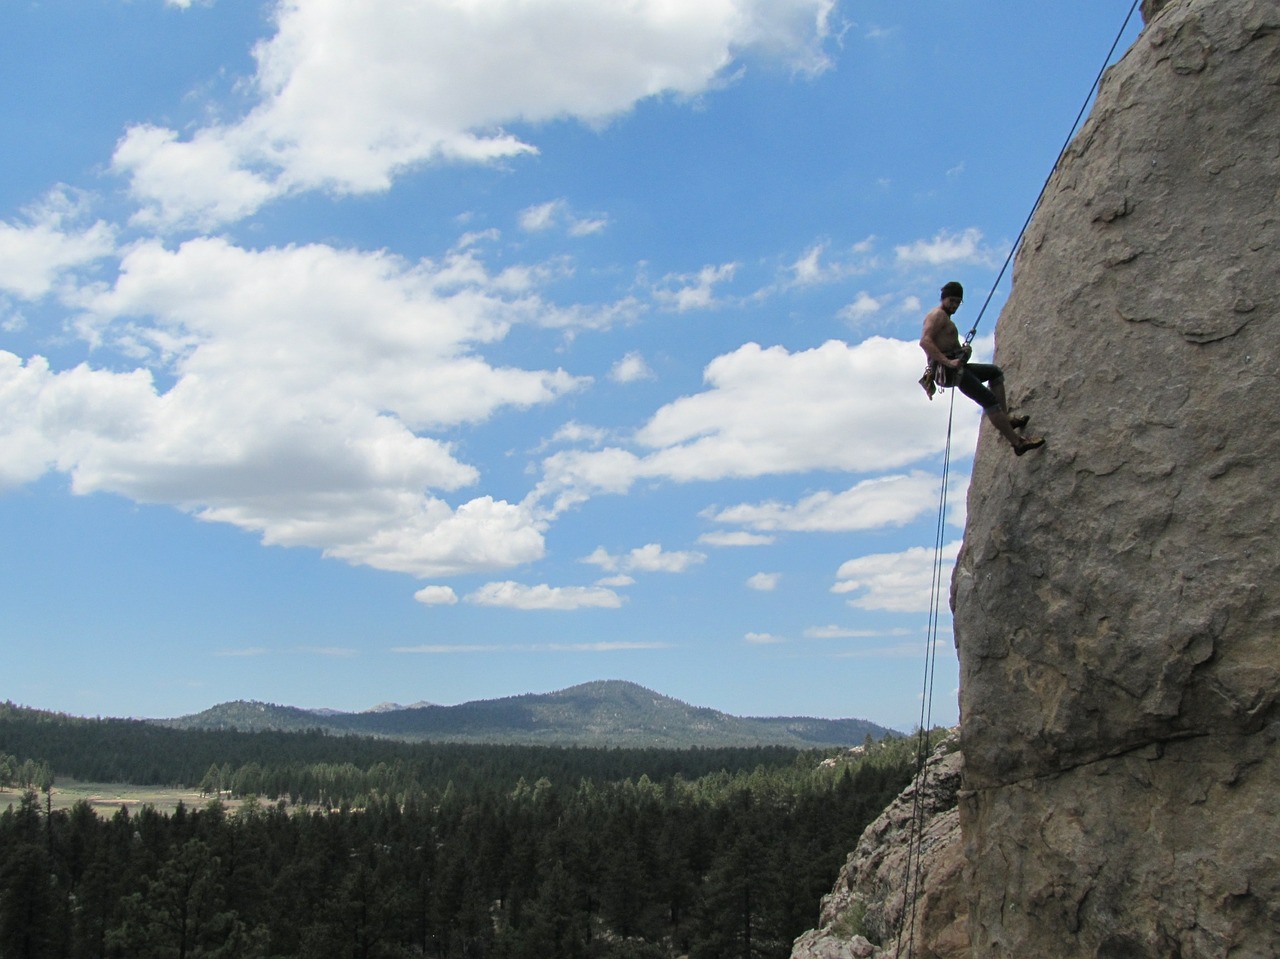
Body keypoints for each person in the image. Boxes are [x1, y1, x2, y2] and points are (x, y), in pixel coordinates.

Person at [919, 281, 1044, 456]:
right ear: (944, 298)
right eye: (951, 301)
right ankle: (1017, 443)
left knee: (995, 373)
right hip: (948, 371)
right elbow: (925, 341)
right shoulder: (937, 316)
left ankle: (1005, 418)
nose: (954, 306)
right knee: (989, 400)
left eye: (958, 302)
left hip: (954, 367)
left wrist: (962, 352)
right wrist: (949, 362)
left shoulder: (945, 318)